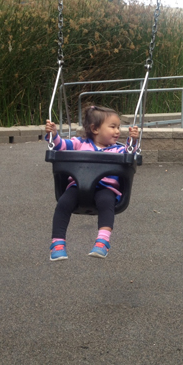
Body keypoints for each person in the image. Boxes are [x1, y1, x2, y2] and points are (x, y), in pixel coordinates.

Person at [45, 105, 140, 261]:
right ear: (95, 129)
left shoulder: (117, 149)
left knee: (106, 202)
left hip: (106, 189)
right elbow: (60, 146)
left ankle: (102, 242)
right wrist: (53, 134)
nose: (117, 131)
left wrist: (133, 140)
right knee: (63, 203)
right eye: (112, 127)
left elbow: (130, 153)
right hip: (78, 186)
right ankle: (57, 243)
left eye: (119, 127)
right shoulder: (79, 144)